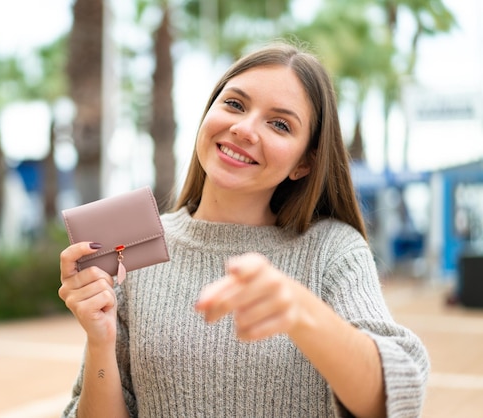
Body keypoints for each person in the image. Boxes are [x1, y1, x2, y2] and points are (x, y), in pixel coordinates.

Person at [58, 40, 429, 418]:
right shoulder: (130, 248)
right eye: (234, 104)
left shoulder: (333, 250)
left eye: (280, 124)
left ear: (304, 163)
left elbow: (399, 395)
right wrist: (100, 342)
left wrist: (301, 311)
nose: (244, 129)